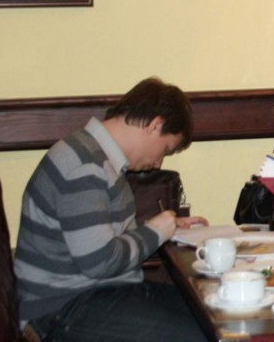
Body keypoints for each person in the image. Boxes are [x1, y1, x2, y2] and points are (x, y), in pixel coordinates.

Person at [14, 77, 209, 342]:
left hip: (99, 292)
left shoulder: (98, 157)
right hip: (61, 309)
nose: (158, 163)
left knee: (210, 312)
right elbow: (100, 261)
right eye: (165, 150)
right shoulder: (84, 166)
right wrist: (155, 232)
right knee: (199, 334)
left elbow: (101, 244)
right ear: (155, 125)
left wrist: (165, 229)